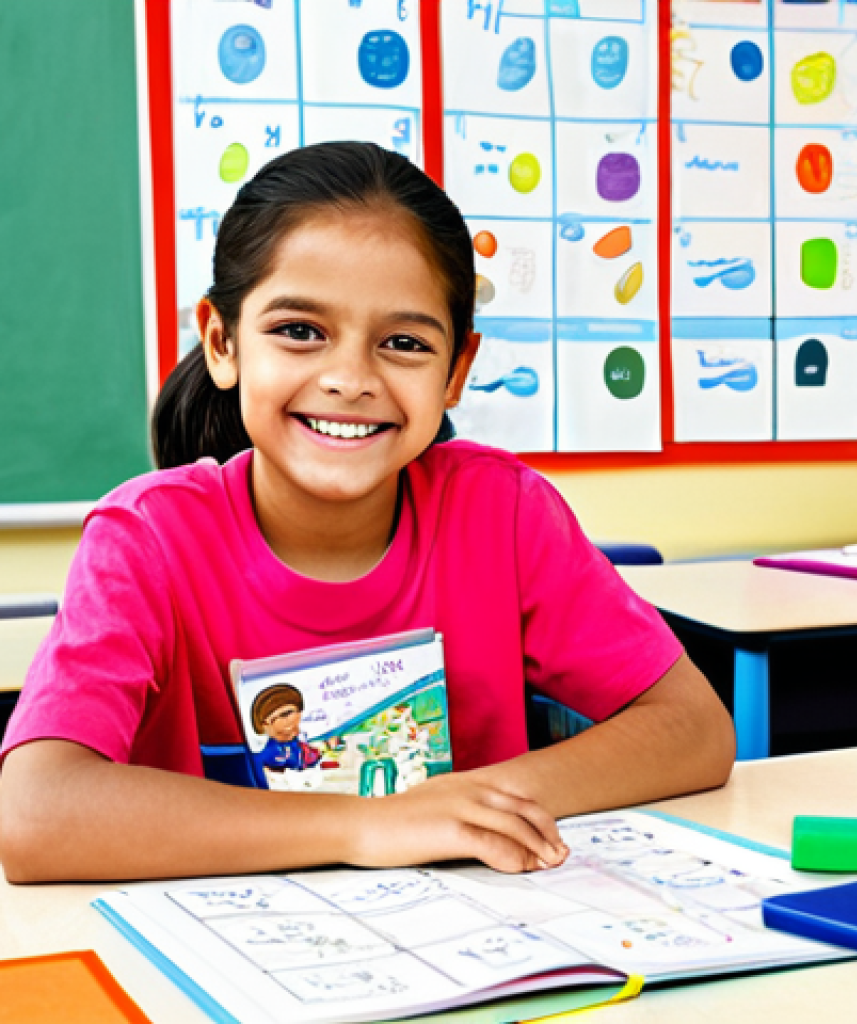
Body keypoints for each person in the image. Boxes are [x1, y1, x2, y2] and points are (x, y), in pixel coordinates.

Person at [0, 142, 734, 883]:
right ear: (222, 342)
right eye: (299, 331)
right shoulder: (147, 542)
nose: (350, 379)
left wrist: (465, 807)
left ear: (457, 373)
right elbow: (35, 815)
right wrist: (371, 823)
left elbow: (694, 730)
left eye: (404, 343)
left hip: (478, 943)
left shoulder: (502, 515)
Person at [250, 684, 320, 775]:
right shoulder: (273, 752)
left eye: (296, 711)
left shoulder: (298, 743)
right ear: (265, 724)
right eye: (285, 714)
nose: (292, 717)